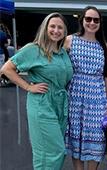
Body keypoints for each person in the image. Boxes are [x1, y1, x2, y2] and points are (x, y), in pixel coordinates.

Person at [0, 12, 73, 169]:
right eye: (52, 26)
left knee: (55, 152)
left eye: (60, 27)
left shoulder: (63, 53)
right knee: (53, 151)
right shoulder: (33, 50)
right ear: (45, 28)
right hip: (42, 104)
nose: (56, 30)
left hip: (60, 105)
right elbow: (7, 69)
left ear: (64, 31)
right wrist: (28, 86)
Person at [63, 6, 107, 170]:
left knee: (96, 139)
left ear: (100, 23)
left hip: (97, 99)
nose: (92, 23)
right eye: (88, 19)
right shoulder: (69, 40)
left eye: (96, 20)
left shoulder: (104, 46)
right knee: (76, 137)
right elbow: (55, 63)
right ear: (82, 20)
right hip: (74, 97)